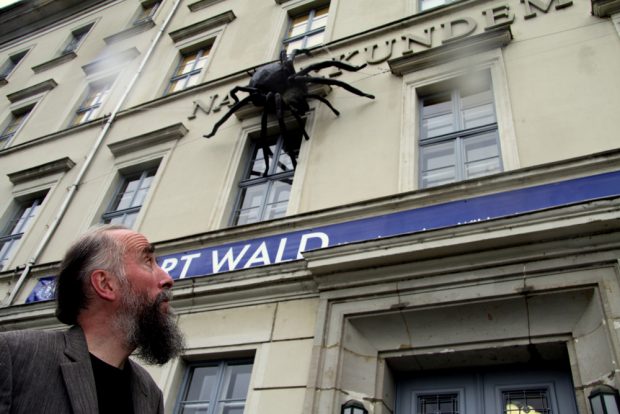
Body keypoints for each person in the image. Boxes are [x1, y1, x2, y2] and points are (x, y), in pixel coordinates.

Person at [0, 225, 185, 414]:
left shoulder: (150, 394)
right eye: (148, 261)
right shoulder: (13, 356)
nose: (168, 279)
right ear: (105, 284)